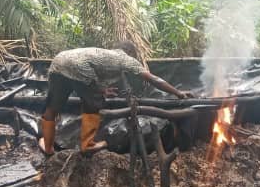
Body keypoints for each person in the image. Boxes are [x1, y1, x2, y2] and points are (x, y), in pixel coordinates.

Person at [39, 42, 194, 155]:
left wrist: (101, 90)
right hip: (79, 66)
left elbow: (90, 78)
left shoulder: (104, 53)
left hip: (59, 60)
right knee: (92, 104)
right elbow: (154, 79)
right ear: (130, 53)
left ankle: (48, 147)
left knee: (53, 106)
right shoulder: (126, 59)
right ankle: (87, 145)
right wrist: (178, 93)